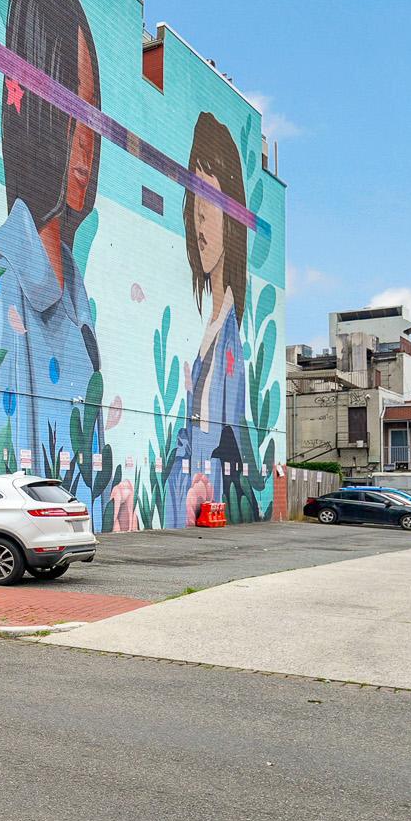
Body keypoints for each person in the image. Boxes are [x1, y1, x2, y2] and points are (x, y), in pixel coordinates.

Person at [0, 0, 105, 514]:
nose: (86, 145)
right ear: (39, 119)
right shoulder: (9, 291)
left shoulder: (76, 300)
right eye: (74, 114)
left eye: (94, 117)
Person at [165, 113, 252, 525]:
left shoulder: (229, 340)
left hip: (202, 499)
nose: (200, 228)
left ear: (232, 219)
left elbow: (221, 439)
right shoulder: (213, 329)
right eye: (194, 210)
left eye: (209, 210)